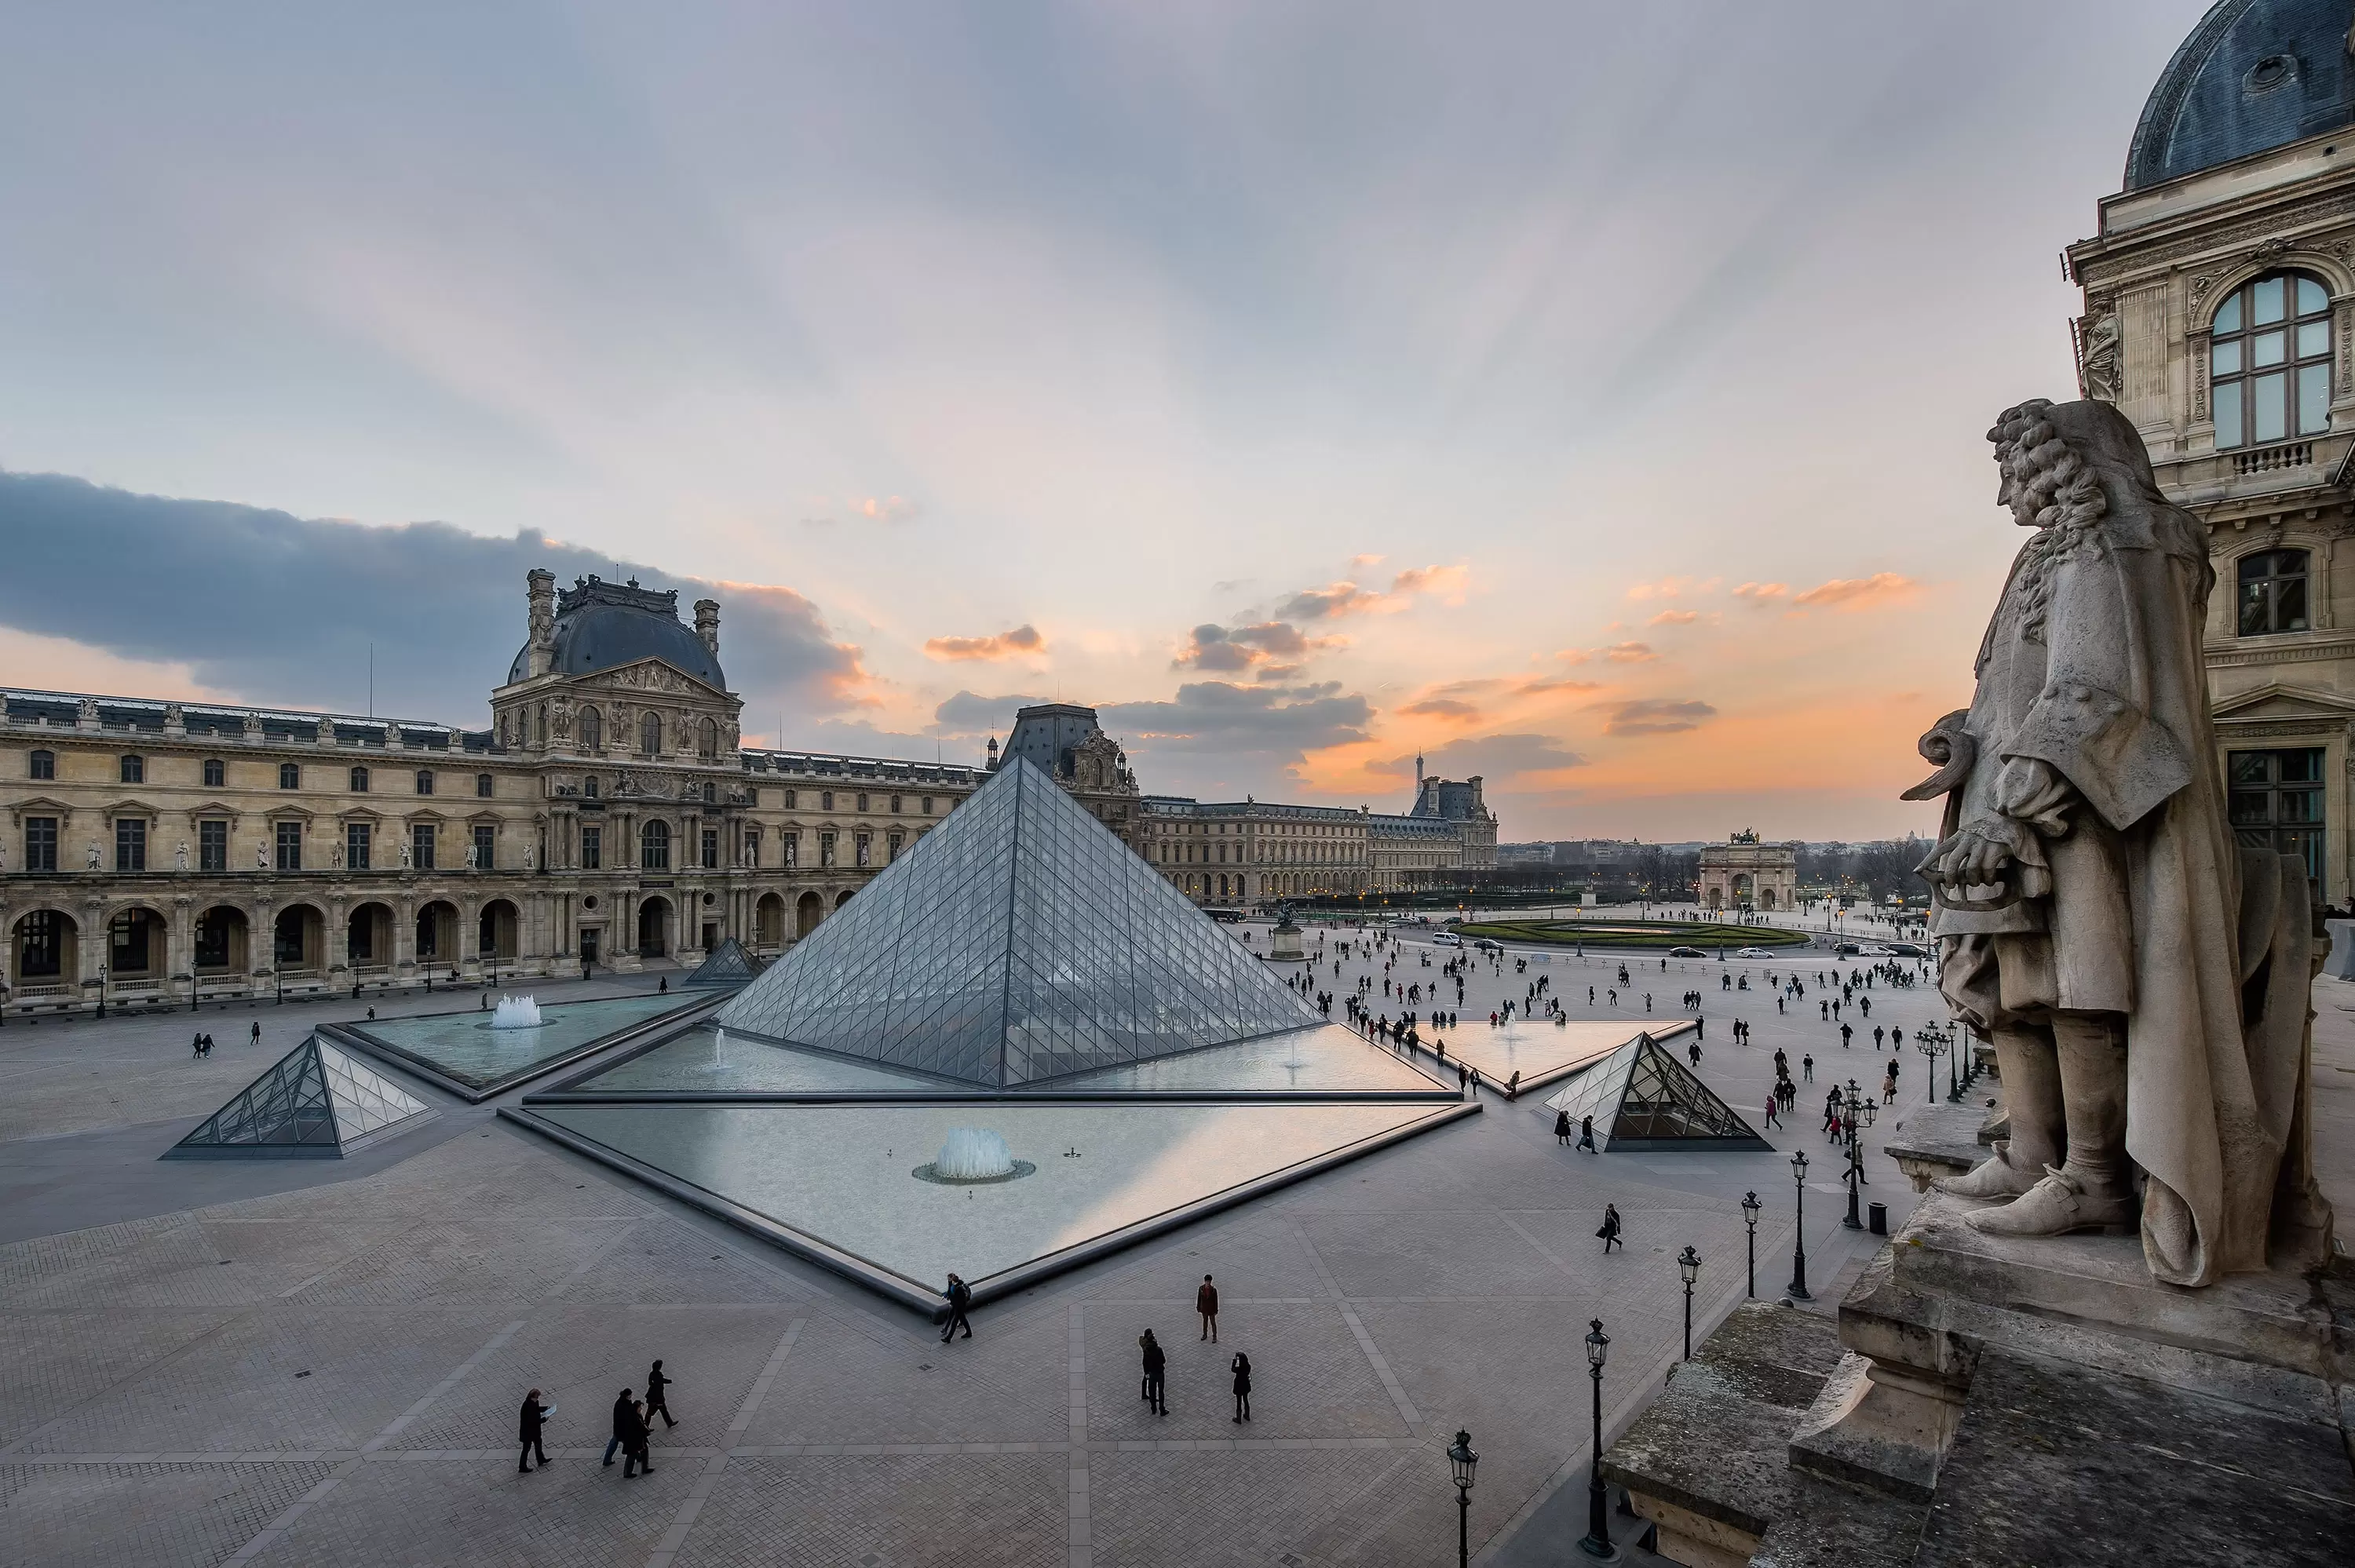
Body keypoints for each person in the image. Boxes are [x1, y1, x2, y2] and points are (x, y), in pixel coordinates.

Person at [517, 1388, 550, 1473]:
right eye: (537, 1397)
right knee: (526, 1449)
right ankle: (522, 1466)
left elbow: (537, 1409)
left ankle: (541, 1459)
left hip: (534, 1431)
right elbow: (533, 1421)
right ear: (532, 1397)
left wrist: (546, 1408)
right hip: (528, 1432)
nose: (538, 1399)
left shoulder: (534, 1402)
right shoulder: (527, 1406)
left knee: (538, 1443)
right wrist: (544, 1420)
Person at [604, 1387, 636, 1467]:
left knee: (614, 1444)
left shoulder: (623, 1402)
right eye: (629, 1396)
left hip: (619, 1429)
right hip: (622, 1429)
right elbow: (624, 1417)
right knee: (630, 1444)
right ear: (626, 1396)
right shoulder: (621, 1404)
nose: (630, 1397)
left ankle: (607, 1460)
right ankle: (638, 1457)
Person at [1141, 1329, 1167, 1416]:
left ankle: (1153, 1408)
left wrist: (1146, 1372)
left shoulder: (1146, 1351)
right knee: (1161, 1391)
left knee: (1152, 1391)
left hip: (1151, 1373)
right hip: (1159, 1372)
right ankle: (1162, 1410)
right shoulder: (1159, 1349)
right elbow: (1163, 1361)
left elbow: (1144, 1362)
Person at [940, 1272, 973, 1343]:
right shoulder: (954, 1286)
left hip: (959, 1307)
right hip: (957, 1307)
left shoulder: (959, 1289)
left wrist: (955, 1305)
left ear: (953, 1280)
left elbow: (959, 1299)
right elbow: (950, 1293)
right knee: (963, 1320)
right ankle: (969, 1333)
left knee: (954, 1323)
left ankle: (948, 1338)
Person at [644, 1359, 677, 1429]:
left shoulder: (652, 1374)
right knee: (650, 1413)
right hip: (657, 1399)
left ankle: (669, 1423)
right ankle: (645, 1427)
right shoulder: (658, 1375)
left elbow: (650, 1383)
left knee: (663, 1411)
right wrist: (670, 1381)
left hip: (652, 1397)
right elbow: (661, 1382)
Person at [1196, 1274, 1219, 1342]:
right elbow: (1199, 1298)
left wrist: (1216, 1310)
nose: (1208, 1283)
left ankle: (1214, 1336)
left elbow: (1216, 1301)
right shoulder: (1201, 1289)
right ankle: (1205, 1334)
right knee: (1205, 1322)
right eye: (1207, 1282)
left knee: (1213, 1323)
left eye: (1209, 1282)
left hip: (1211, 1309)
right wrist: (1198, 1307)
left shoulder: (1214, 1290)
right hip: (1204, 1309)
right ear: (1205, 1281)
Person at [1231, 1351, 1253, 1423]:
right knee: (1246, 1400)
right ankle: (1247, 1415)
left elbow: (1233, 1369)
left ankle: (1238, 1418)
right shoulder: (1248, 1366)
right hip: (1246, 1384)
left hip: (1239, 1385)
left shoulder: (1238, 1368)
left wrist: (1234, 1361)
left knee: (1239, 1401)